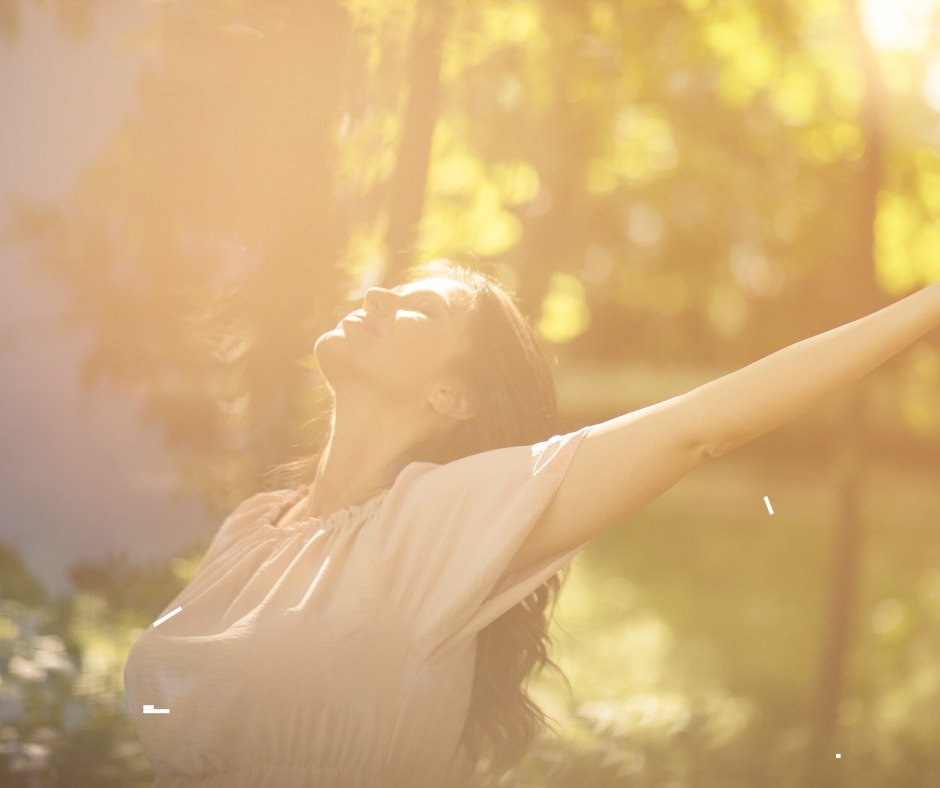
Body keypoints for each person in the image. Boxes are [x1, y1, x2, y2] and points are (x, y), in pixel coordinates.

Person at [123, 260, 940, 786]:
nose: (375, 295)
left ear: (454, 396)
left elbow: (697, 428)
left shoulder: (437, 524)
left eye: (419, 308)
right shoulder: (254, 527)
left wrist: (930, 305)